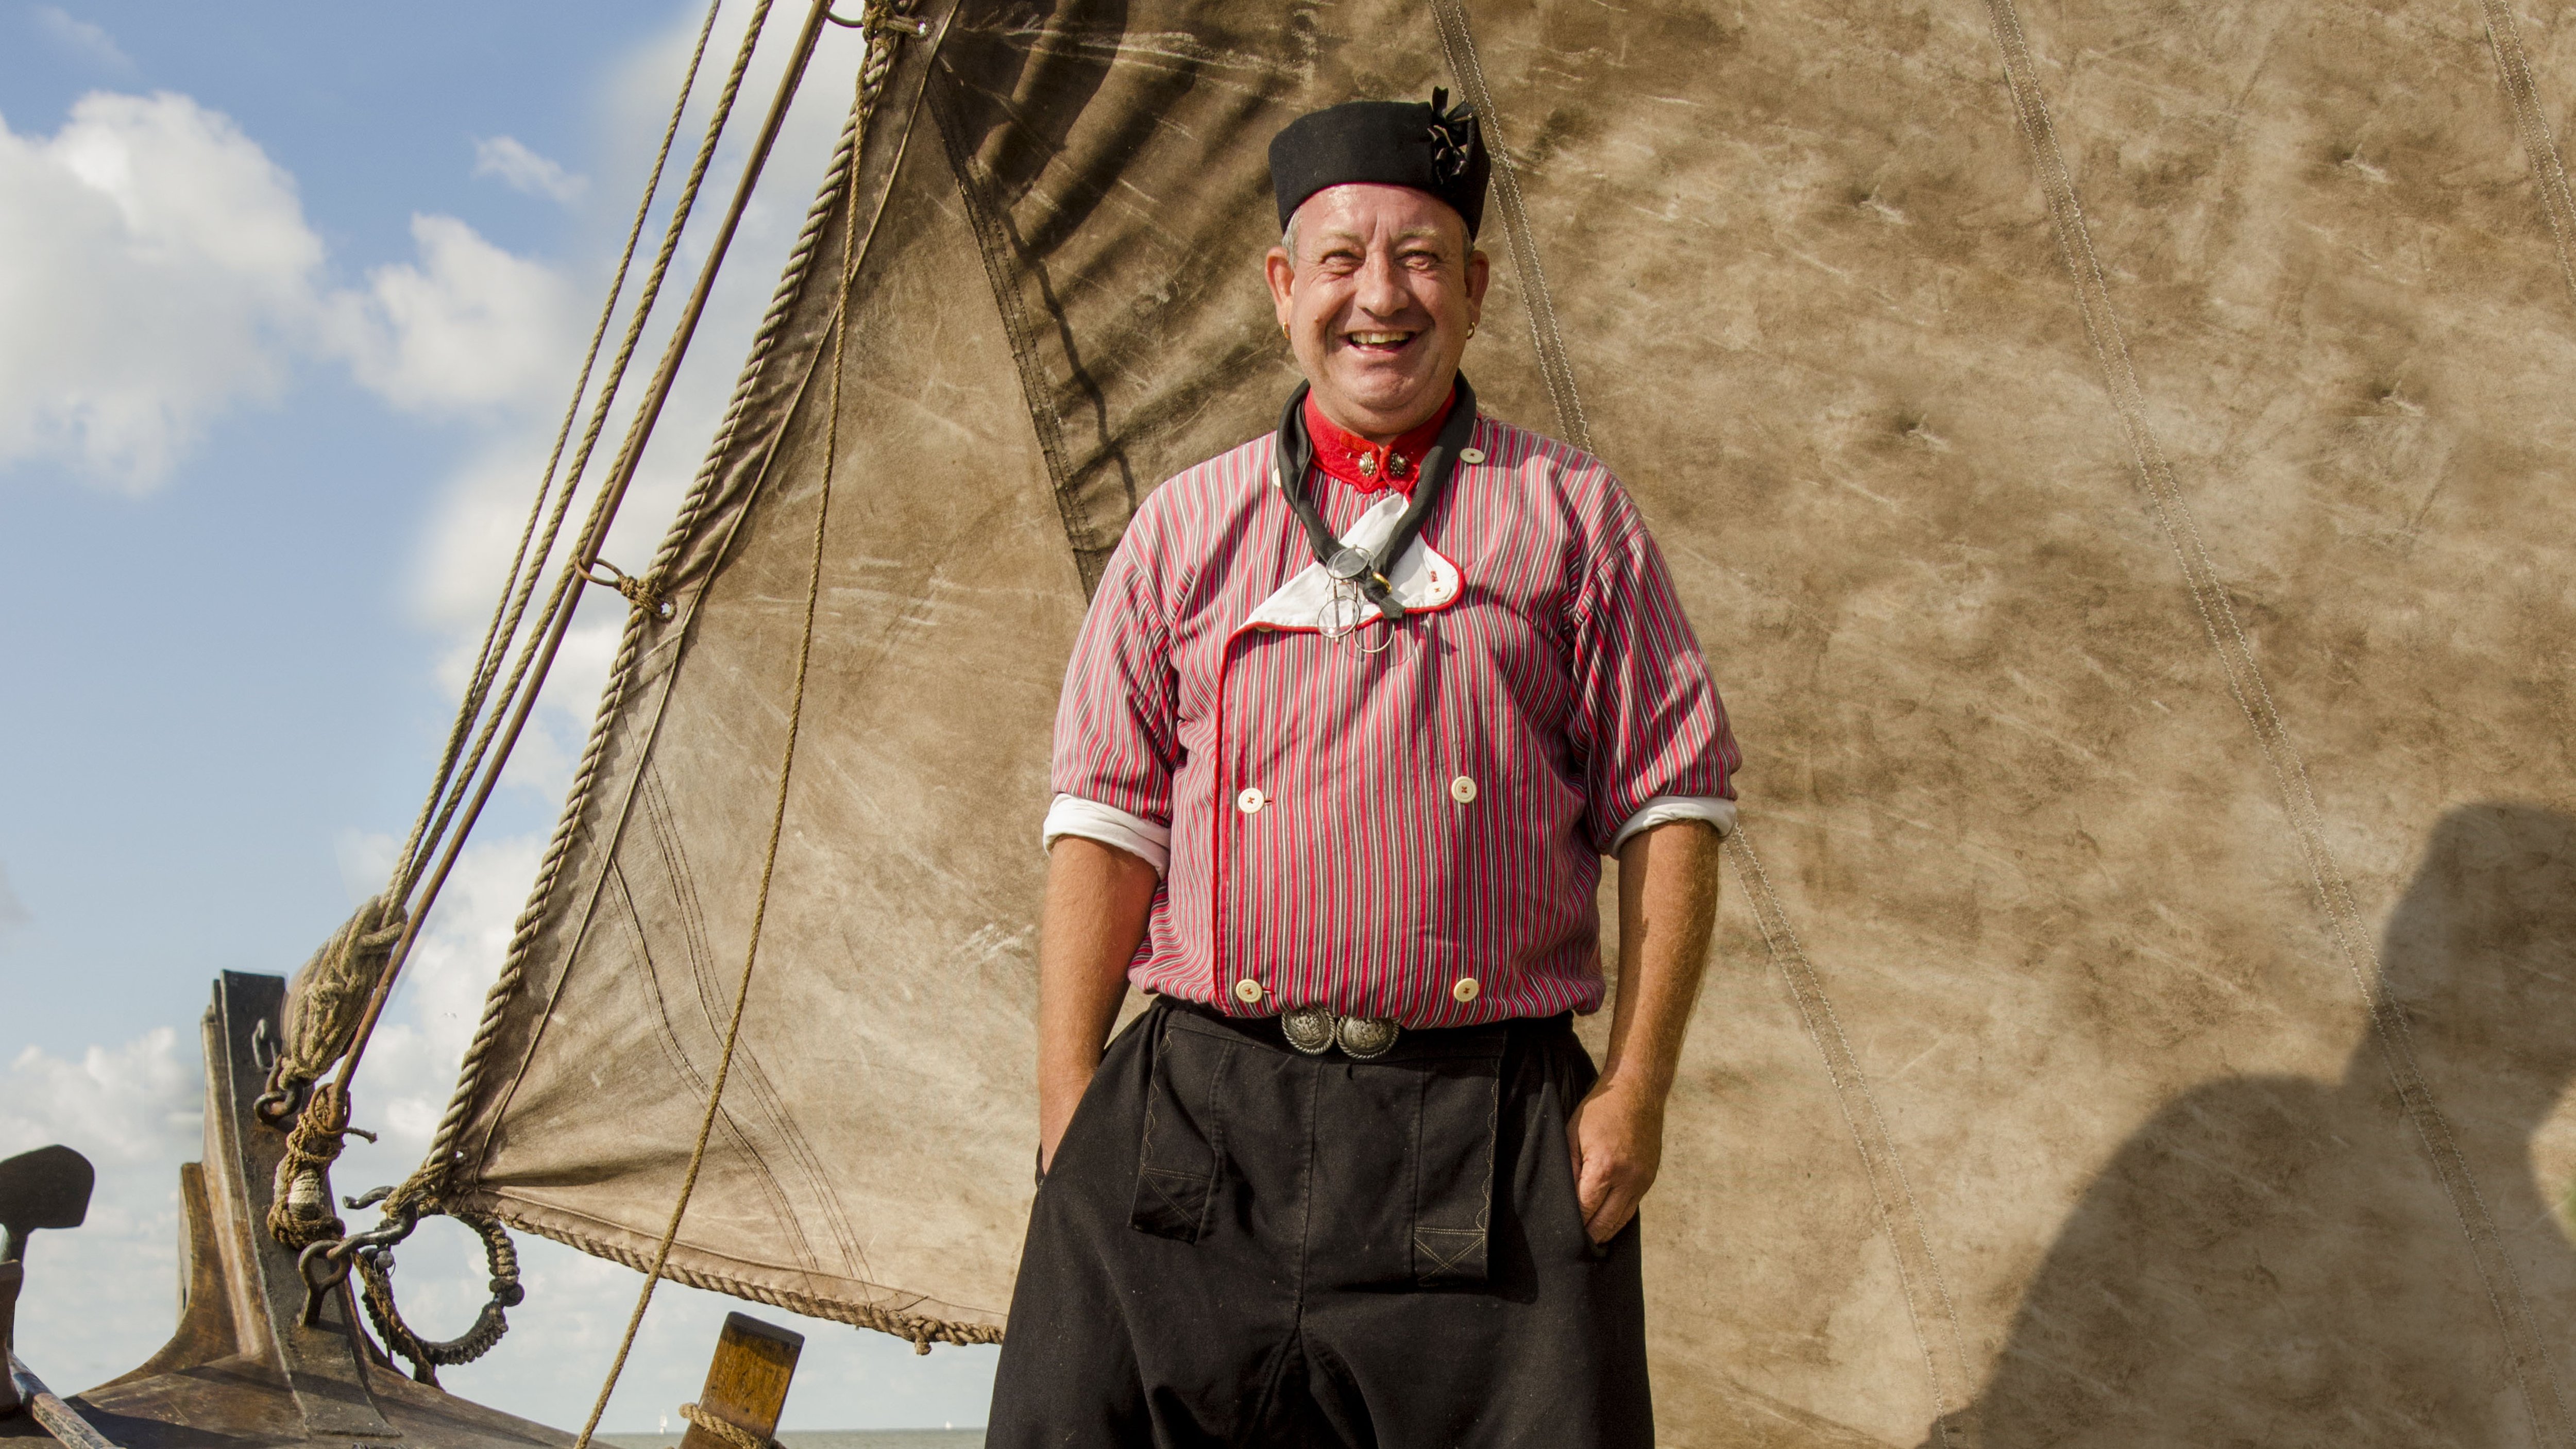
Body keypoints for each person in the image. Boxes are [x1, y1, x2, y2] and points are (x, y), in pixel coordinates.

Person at [986, 88, 1741, 1449]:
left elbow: (1674, 804)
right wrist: (1067, 1108)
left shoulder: (1577, 519)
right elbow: (1104, 822)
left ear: (1474, 286)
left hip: (1488, 1138)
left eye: (1419, 258)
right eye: (1340, 259)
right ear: (1285, 289)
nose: (1377, 296)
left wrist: (1638, 1089)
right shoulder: (1185, 528)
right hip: (1191, 1136)